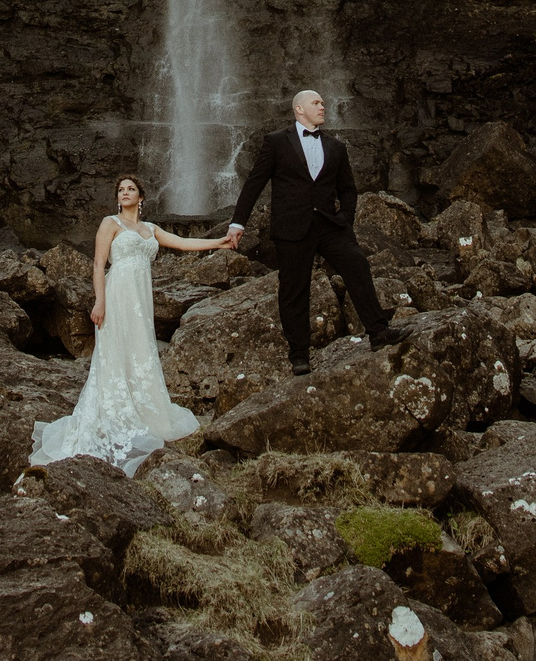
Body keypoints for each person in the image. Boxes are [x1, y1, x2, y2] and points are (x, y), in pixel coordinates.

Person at [29, 174, 235, 474]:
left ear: (141, 198)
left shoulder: (151, 229)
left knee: (141, 350)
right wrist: (99, 301)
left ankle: (144, 410)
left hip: (140, 300)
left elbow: (182, 242)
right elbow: (99, 263)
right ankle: (113, 413)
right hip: (116, 295)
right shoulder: (110, 223)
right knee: (114, 353)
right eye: (121, 189)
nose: (125, 192)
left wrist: (220, 242)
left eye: (131, 189)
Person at [227, 88, 393, 374]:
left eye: (323, 102)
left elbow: (348, 189)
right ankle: (299, 355)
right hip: (292, 226)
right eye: (316, 102)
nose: (322, 106)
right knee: (294, 289)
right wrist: (237, 223)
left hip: (330, 224)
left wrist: (345, 218)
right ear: (299, 109)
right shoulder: (276, 142)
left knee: (357, 265)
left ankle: (379, 332)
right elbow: (254, 183)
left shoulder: (336, 147)